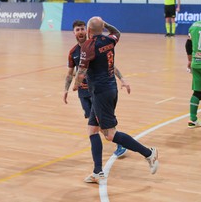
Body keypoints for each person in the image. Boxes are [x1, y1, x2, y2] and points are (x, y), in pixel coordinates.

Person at [73, 17, 159, 183]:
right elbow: (117, 32)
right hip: (109, 88)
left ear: (89, 31)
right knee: (92, 130)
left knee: (110, 135)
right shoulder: (110, 40)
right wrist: (105, 25)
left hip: (100, 93)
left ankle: (149, 153)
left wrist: (76, 85)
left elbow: (82, 71)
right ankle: (98, 171)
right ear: (102, 28)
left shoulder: (88, 46)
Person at [64, 20, 130, 158]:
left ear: (86, 30)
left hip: (97, 90)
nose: (80, 32)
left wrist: (122, 78)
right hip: (83, 93)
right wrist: (66, 90)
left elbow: (110, 66)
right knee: (92, 120)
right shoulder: (73, 52)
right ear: (74, 33)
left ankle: (118, 142)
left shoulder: (93, 46)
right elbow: (70, 73)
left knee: (99, 121)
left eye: (82, 29)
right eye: (77, 30)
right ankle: (113, 141)